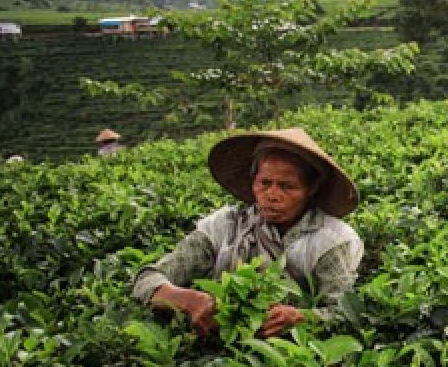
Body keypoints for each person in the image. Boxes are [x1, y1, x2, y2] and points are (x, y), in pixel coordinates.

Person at [132, 127, 364, 338]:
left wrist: (302, 318)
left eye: (287, 186)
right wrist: (189, 301)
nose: (272, 195)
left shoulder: (331, 241)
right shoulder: (223, 226)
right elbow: (147, 280)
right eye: (265, 183)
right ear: (252, 183)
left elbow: (344, 315)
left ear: (310, 189)